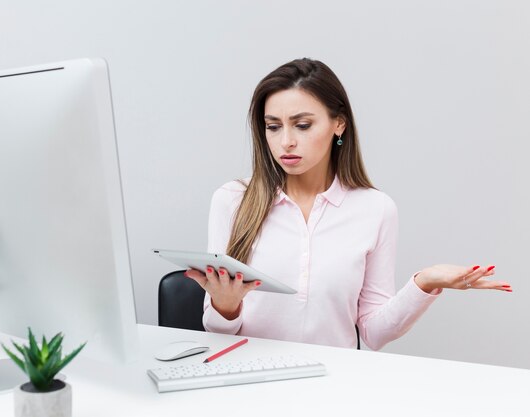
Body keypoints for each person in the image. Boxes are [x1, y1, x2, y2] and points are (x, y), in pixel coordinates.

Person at [185, 58, 512, 350]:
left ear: (338, 124)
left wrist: (424, 283)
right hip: (249, 379)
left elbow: (374, 333)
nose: (286, 141)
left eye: (302, 125)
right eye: (273, 127)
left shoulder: (376, 209)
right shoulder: (232, 201)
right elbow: (215, 332)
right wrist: (225, 308)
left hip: (334, 384)